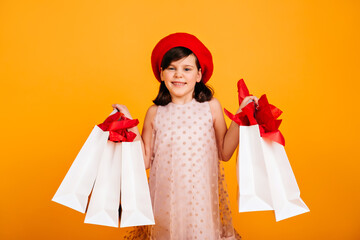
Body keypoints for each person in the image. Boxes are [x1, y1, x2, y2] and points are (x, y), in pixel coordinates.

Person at [113, 33, 258, 240]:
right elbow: (144, 160)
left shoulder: (210, 107)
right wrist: (129, 122)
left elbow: (225, 152)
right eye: (171, 68)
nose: (178, 75)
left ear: (199, 75)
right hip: (165, 201)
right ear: (161, 73)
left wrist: (241, 115)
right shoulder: (155, 112)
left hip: (201, 202)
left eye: (186, 69)